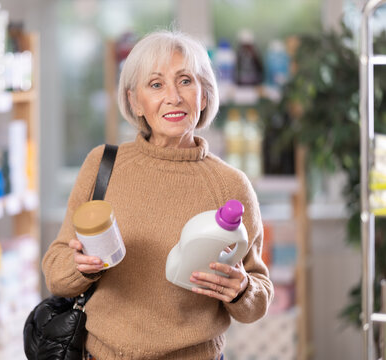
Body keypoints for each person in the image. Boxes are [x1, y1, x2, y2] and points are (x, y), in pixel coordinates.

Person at [42, 30, 273, 360]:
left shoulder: (231, 186)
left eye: (186, 81)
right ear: (135, 101)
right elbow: (56, 272)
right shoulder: (103, 165)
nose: (174, 97)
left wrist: (241, 290)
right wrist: (82, 267)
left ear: (204, 96)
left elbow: (258, 297)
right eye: (156, 84)